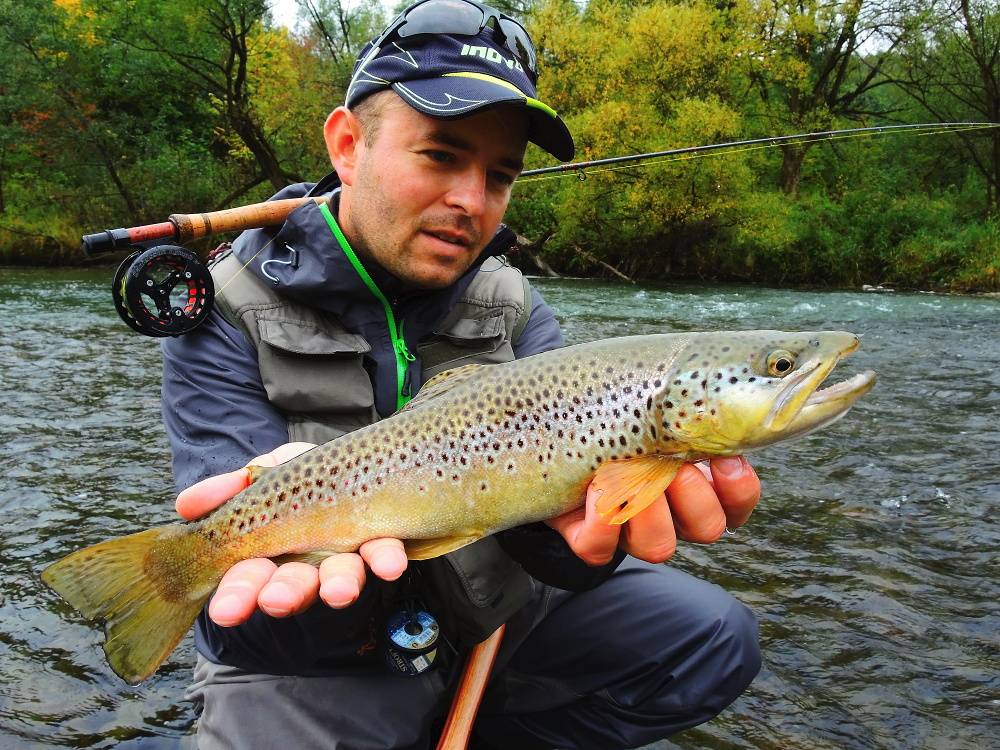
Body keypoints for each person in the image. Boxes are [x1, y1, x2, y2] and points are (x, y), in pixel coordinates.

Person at [161, 2, 762, 748]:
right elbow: (245, 602)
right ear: (348, 146)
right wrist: (289, 537)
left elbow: (550, 529)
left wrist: (570, 544)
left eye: (500, 174)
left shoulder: (511, 301)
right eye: (441, 156)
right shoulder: (221, 309)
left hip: (483, 612)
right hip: (310, 655)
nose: (471, 202)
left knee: (711, 639)